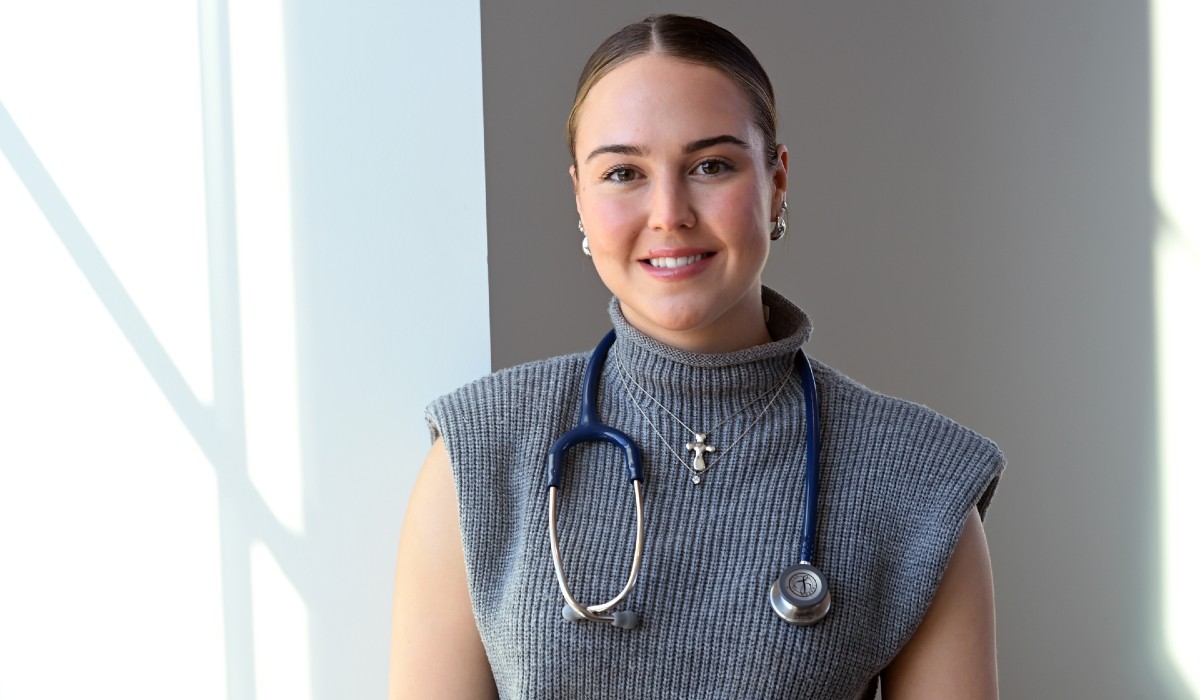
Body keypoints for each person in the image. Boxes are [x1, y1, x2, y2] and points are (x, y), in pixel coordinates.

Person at [390, 14, 1003, 700]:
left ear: (777, 182)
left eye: (711, 165)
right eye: (623, 172)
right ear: (580, 200)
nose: (669, 213)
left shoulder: (922, 482)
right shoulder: (481, 453)